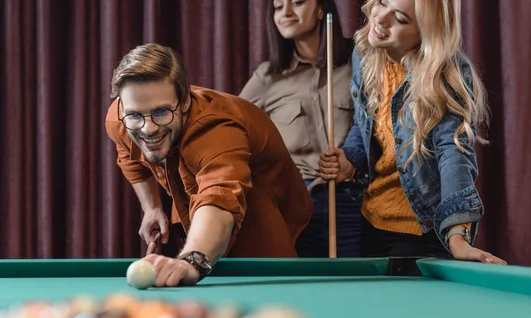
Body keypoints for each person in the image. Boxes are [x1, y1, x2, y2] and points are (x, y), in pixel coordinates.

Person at [104, 43, 313, 287]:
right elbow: (131, 160)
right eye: (136, 115)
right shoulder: (121, 118)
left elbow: (219, 197)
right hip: (203, 212)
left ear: (184, 102)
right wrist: (152, 207)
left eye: (161, 112)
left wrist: (192, 261)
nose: (148, 128)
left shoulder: (216, 129)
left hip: (262, 207)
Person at [319, 0, 507, 264]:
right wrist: (349, 161)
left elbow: (453, 151)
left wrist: (457, 237)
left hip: (421, 231)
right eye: (382, 2)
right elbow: (368, 126)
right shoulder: (365, 55)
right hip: (371, 220)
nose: (381, 19)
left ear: (426, 33)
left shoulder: (444, 71)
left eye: (399, 18)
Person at [239, 0, 365, 258]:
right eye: (277, 6)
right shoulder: (267, 77)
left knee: (355, 289)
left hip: (357, 203)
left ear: (321, 10)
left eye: (297, 2)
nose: (285, 12)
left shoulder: (360, 62)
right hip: (296, 207)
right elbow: (231, 130)